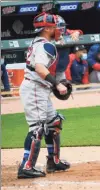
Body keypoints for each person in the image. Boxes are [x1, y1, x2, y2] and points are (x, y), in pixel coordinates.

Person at [18, 12, 70, 179]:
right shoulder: (46, 46)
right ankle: (26, 166)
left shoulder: (39, 42)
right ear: (47, 28)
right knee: (37, 128)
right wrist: (57, 83)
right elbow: (40, 68)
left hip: (39, 88)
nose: (59, 30)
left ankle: (53, 161)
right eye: (56, 27)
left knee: (54, 122)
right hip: (34, 88)